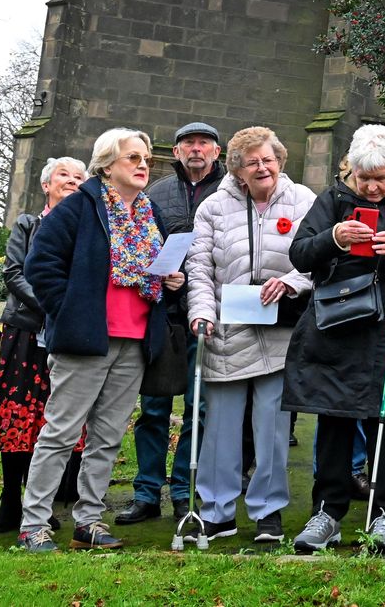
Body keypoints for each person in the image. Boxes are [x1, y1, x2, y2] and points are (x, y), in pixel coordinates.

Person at [18, 128, 185, 552]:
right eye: (133, 158)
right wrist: (69, 311)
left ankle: (87, 522)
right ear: (107, 165)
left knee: (108, 437)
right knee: (60, 433)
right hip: (85, 339)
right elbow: (40, 266)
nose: (144, 164)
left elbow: (156, 275)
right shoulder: (79, 207)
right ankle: (33, 524)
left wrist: (172, 281)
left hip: (135, 340)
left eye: (146, 158)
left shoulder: (151, 215)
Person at [284, 124, 385, 554]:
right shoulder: (332, 200)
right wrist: (334, 237)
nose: (372, 187)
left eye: (382, 178)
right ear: (350, 170)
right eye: (364, 178)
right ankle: (328, 513)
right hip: (337, 327)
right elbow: (299, 254)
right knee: (333, 418)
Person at [185, 127, 316, 543]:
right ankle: (217, 511)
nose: (263, 167)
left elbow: (318, 259)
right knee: (221, 428)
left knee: (273, 429)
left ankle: (268, 512)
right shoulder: (212, 208)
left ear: (280, 160)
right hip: (227, 330)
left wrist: (292, 282)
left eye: (269, 159)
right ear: (238, 169)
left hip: (280, 331)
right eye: (253, 161)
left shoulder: (304, 201)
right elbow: (200, 269)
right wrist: (202, 312)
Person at [116, 121, 225, 527]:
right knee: (154, 407)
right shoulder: (154, 191)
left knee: (199, 408)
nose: (196, 149)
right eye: (188, 144)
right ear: (176, 151)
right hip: (161, 314)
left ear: (217, 152)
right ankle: (146, 492)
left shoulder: (232, 192)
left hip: (207, 314)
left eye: (204, 143)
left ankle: (183, 490)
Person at [0, 157, 88, 533]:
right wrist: (53, 306)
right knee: (18, 416)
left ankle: (39, 503)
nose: (71, 181)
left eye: (79, 177)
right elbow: (14, 272)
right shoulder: (28, 224)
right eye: (64, 175)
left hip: (68, 336)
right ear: (46, 184)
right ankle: (10, 501)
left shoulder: (87, 230)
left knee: (54, 418)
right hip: (27, 333)